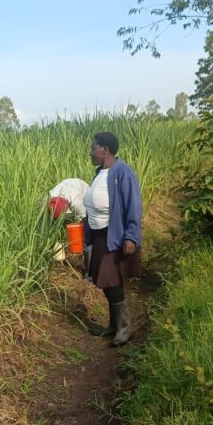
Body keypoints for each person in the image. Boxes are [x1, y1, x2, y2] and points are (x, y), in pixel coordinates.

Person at [83, 132, 142, 346]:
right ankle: (113, 325)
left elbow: (133, 205)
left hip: (114, 236)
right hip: (99, 236)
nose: (91, 153)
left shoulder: (123, 172)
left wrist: (131, 237)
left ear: (105, 150)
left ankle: (124, 327)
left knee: (111, 281)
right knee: (108, 282)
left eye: (93, 149)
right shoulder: (100, 173)